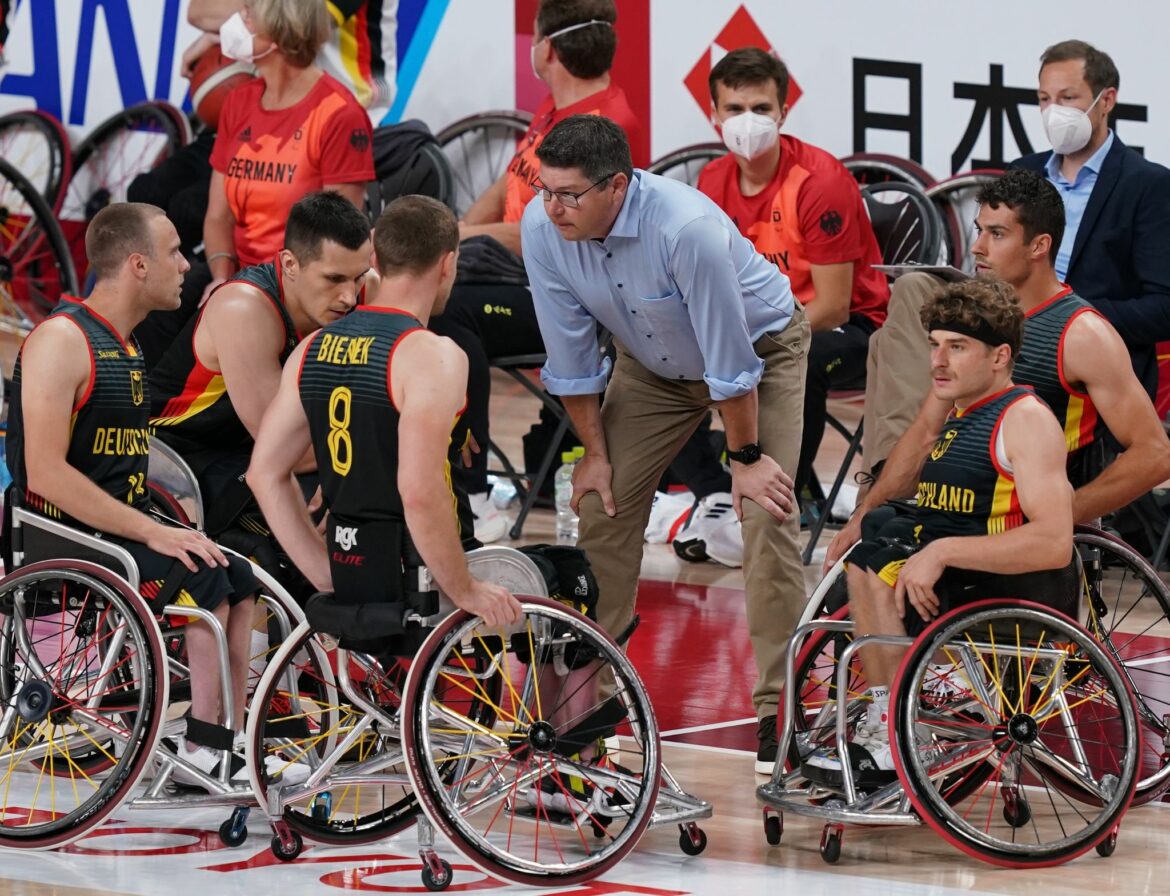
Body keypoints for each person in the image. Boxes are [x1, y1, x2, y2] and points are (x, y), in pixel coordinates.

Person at [521, 114, 810, 774]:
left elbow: (732, 364)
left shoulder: (687, 229)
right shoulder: (543, 228)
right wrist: (595, 454)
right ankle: (585, 714)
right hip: (651, 364)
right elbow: (570, 360)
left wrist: (742, 463)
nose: (553, 207)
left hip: (762, 354)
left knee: (766, 513)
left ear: (618, 186)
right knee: (602, 504)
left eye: (570, 195)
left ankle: (781, 713)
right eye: (546, 189)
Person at [4, 203, 259, 786]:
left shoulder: (127, 346)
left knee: (239, 575)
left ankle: (228, 740)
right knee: (203, 575)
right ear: (138, 264)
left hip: (115, 529)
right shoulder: (61, 341)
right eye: (174, 251)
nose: (186, 266)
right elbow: (43, 472)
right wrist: (151, 530)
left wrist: (166, 522)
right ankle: (202, 748)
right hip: (60, 533)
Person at [804, 278, 1078, 784]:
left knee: (882, 561)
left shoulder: (1025, 421)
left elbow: (1055, 542)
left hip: (1007, 586)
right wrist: (867, 510)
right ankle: (889, 719)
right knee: (873, 542)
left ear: (999, 357)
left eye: (956, 347)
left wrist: (943, 551)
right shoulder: (958, 408)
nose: (938, 360)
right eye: (934, 346)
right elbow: (918, 443)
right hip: (954, 570)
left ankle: (901, 727)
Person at [859, 38, 1170, 479]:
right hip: (1000, 305)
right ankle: (892, 470)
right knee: (913, 290)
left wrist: (1066, 315)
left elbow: (1163, 308)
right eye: (1044, 99)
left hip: (1070, 335)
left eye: (1068, 98)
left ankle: (913, 474)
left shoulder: (1148, 186)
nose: (1053, 111)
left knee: (887, 349)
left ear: (1107, 101)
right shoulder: (1025, 169)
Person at [827, 168, 1170, 567]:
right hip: (948, 508)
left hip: (1009, 525)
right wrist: (863, 512)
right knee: (862, 558)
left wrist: (1063, 512)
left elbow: (1154, 453)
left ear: (1039, 245)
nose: (977, 247)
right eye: (978, 230)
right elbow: (925, 432)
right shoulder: (974, 318)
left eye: (997, 234)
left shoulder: (1083, 334)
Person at [247, 195, 521, 629]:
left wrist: (321, 570)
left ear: (375, 254)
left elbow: (263, 472)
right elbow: (418, 491)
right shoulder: (434, 355)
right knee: (567, 578)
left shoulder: (311, 348)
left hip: (347, 569)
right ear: (448, 264)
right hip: (420, 577)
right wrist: (465, 588)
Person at [429, 0, 645, 542]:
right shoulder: (552, 108)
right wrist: (451, 232)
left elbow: (545, 231)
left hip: (564, 296)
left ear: (547, 49)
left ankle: (471, 490)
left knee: (450, 310)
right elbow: (507, 185)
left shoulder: (604, 124)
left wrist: (450, 239)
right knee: (425, 294)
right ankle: (432, 470)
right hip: (506, 274)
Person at [132, 0, 376, 368]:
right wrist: (221, 278)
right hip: (237, 276)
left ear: (279, 31)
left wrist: (253, 294)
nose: (237, 21)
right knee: (151, 314)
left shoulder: (339, 114)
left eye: (248, 13)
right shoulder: (240, 102)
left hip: (295, 293)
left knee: (183, 365)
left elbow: (339, 244)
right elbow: (218, 217)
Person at [696, 47, 888, 509]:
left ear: (783, 111)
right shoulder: (711, 180)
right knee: (653, 358)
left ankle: (784, 498)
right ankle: (714, 494)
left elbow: (834, 304)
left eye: (761, 109)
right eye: (735, 110)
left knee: (800, 359)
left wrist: (741, 340)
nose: (748, 121)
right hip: (754, 326)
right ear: (713, 115)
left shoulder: (819, 181)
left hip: (850, 328)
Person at [149, 191, 371, 535]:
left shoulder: (362, 287)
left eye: (358, 277)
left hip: (252, 450)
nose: (350, 296)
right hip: (181, 457)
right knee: (350, 501)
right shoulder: (244, 310)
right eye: (334, 279)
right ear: (289, 264)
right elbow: (286, 454)